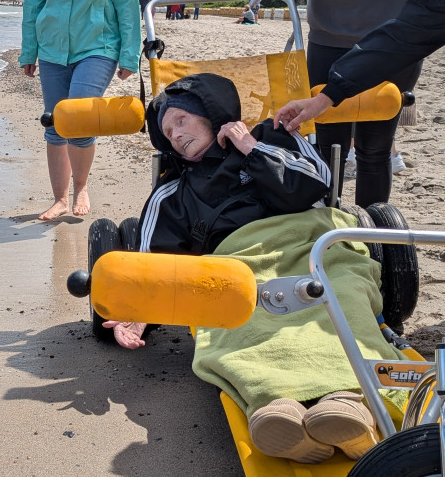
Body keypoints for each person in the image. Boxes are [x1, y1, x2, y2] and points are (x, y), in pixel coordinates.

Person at [103, 73, 410, 463]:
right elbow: (153, 262)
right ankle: (277, 405)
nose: (176, 134)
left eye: (181, 119)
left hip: (314, 247)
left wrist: (250, 147)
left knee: (341, 297)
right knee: (241, 317)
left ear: (210, 113)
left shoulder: (274, 136)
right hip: (236, 266)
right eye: (167, 131)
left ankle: (348, 401)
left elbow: (317, 184)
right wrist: (139, 312)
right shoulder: (174, 191)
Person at [288, 0, 423, 209]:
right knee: (328, 147)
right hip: (329, 40)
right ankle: (329, 226)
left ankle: (370, 232)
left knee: (375, 149)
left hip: (393, 40)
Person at [20, 0, 141, 221]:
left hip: (98, 46)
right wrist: (29, 50)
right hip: (52, 48)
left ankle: (81, 186)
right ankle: (59, 199)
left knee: (79, 119)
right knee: (55, 123)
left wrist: (129, 54)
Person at [275, 0, 445, 135]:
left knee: (375, 146)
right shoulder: (435, 0)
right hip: (331, 40)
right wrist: (325, 98)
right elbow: (396, 41)